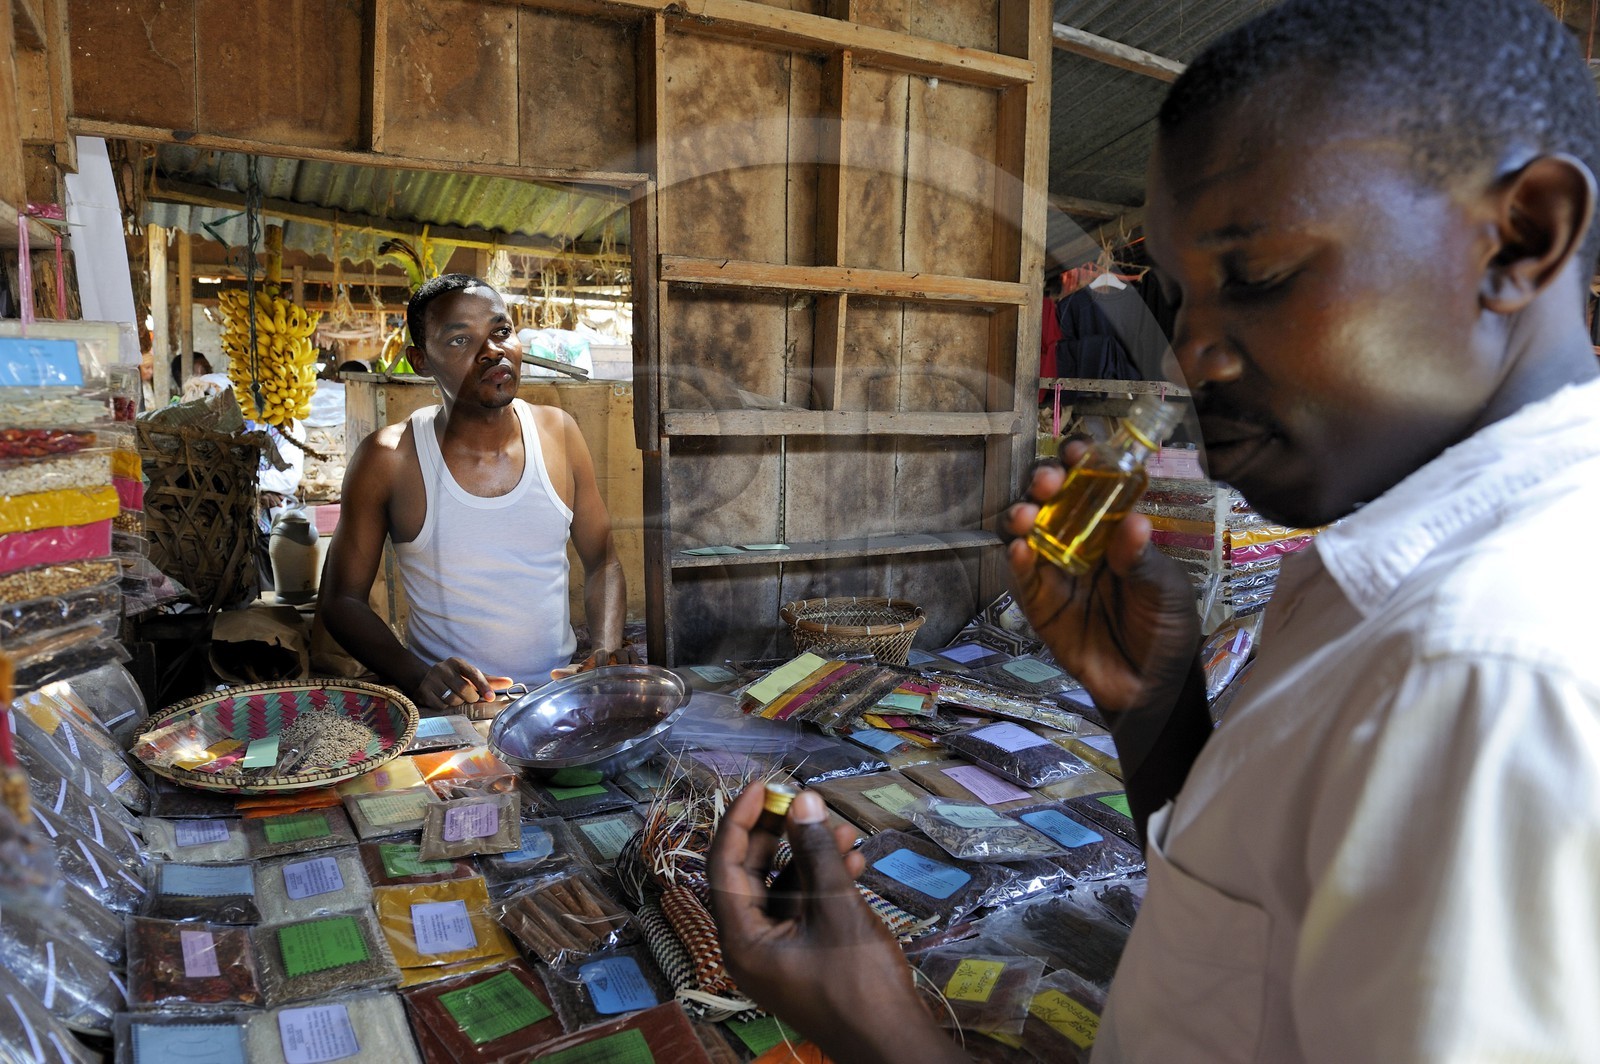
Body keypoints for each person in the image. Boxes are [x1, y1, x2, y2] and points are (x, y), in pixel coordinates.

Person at [707, 0, 1600, 1059]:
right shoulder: (1381, 582)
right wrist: (1159, 715)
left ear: (1522, 235)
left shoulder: (1486, 670)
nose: (1192, 358)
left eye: (1256, 277)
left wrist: (891, 1034)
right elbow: (1257, 936)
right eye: (1178, 302)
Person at [319, 274, 630, 713]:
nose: (492, 351)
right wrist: (418, 676)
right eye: (461, 339)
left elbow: (603, 561)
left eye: (501, 332)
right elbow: (341, 600)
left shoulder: (560, 433)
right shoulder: (389, 458)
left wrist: (603, 651)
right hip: (450, 710)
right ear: (420, 360)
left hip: (556, 703)